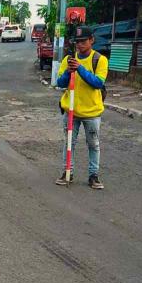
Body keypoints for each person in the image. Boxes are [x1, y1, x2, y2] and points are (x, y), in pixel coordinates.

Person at [55, 26, 108, 189]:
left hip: (91, 112)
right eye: (77, 42)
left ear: (91, 40)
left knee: (93, 144)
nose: (79, 45)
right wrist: (69, 71)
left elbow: (98, 83)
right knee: (69, 143)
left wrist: (80, 68)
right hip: (71, 111)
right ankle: (67, 172)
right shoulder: (68, 60)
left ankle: (94, 175)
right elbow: (60, 83)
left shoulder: (99, 60)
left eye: (83, 41)